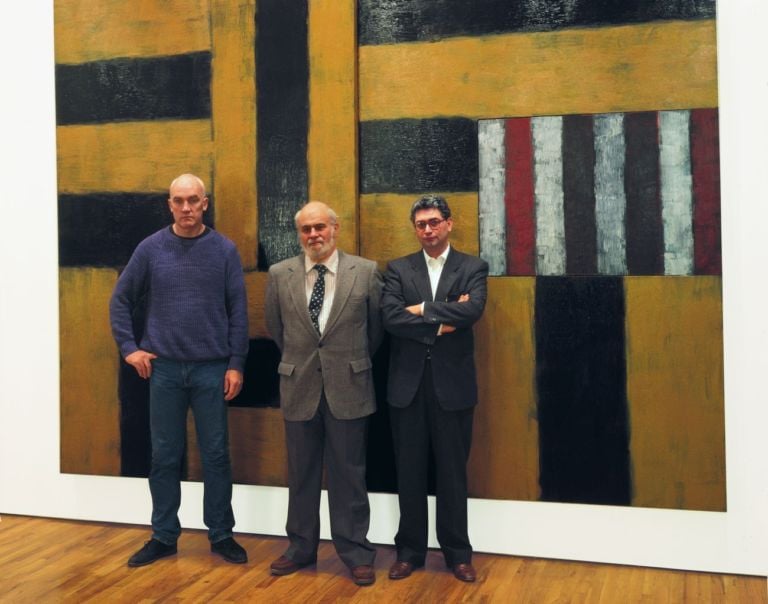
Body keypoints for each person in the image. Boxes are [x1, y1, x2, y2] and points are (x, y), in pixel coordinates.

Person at [109, 173, 249, 567]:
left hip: (211, 370)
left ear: (205, 203)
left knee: (217, 456)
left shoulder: (224, 250)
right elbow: (120, 300)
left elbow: (238, 312)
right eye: (178, 201)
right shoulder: (151, 249)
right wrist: (129, 349)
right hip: (164, 371)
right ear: (169, 204)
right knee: (165, 456)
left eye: (193, 200)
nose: (186, 207)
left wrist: (236, 364)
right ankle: (164, 535)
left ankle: (221, 534)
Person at [264, 201, 383, 586]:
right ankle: (300, 548)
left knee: (350, 475)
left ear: (335, 228)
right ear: (299, 234)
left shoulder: (365, 272)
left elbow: (376, 332)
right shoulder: (279, 274)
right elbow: (276, 330)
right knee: (301, 474)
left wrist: (344, 363)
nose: (313, 235)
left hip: (349, 386)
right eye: (305, 229)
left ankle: (355, 552)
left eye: (320, 227)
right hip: (298, 387)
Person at [381, 195, 488, 583]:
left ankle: (458, 553)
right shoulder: (397, 269)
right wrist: (443, 316)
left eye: (434, 222)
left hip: (453, 388)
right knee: (408, 473)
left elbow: (472, 311)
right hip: (407, 388)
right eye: (421, 224)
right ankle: (409, 552)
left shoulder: (473, 267)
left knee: (452, 475)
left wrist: (419, 310)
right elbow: (390, 318)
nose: (428, 229)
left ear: (449, 224)